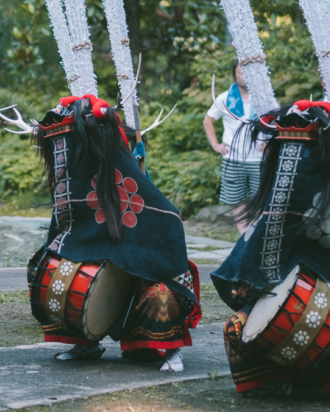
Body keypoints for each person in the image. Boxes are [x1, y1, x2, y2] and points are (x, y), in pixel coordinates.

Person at [214, 101, 330, 406]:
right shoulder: (278, 198)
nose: (294, 162)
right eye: (287, 152)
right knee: (235, 328)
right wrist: (248, 285)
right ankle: (275, 381)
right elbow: (253, 249)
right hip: (287, 288)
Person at [29, 95, 201, 373]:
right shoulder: (75, 184)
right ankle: (86, 342)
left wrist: (138, 256)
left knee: (161, 293)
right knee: (59, 269)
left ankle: (170, 349)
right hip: (101, 266)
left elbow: (167, 226)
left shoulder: (128, 178)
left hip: (141, 278)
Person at [204, 62, 262, 232]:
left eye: (247, 72)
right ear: (235, 74)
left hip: (258, 159)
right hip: (232, 158)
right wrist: (215, 145)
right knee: (236, 199)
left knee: (260, 198)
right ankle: (243, 235)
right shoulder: (224, 98)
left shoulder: (263, 97)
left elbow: (275, 122)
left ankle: (256, 234)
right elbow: (208, 120)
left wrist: (269, 142)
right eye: (240, 72)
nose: (244, 76)